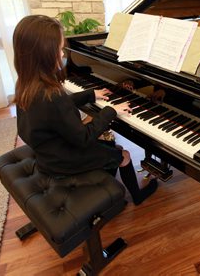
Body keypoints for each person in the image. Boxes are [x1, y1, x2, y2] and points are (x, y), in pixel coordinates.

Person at [13, 15, 157, 205]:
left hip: (48, 154)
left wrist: (90, 94)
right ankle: (135, 197)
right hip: (64, 161)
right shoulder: (52, 94)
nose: (63, 54)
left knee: (110, 148)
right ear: (45, 54)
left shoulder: (27, 84)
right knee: (123, 154)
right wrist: (110, 110)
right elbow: (83, 138)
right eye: (59, 49)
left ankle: (106, 185)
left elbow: (57, 108)